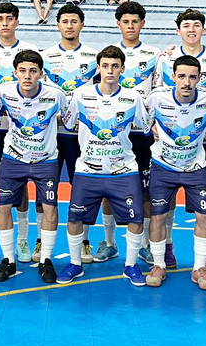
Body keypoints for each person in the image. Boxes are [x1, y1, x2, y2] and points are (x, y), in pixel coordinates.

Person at [56, 45, 151, 287]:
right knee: (74, 218)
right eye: (105, 66)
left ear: (122, 69)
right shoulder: (81, 94)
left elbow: (147, 126)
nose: (110, 71)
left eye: (115, 66)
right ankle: (75, 263)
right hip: (88, 169)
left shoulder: (133, 97)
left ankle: (131, 266)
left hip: (123, 169)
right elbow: (68, 124)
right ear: (98, 68)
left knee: (136, 218)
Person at [154, 8, 206, 266]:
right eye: (186, 25)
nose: (192, 29)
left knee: (205, 204)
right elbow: (157, 95)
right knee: (166, 202)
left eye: (196, 25)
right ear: (178, 31)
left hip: (203, 143)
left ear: (203, 30)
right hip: (170, 140)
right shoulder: (165, 58)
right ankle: (166, 246)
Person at [0, 51, 68, 284]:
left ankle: (45, 259)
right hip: (13, 158)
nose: (27, 76)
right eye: (22, 71)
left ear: (41, 74)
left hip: (45, 160)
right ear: (15, 73)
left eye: (33, 71)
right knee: (3, 206)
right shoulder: (3, 92)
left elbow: (69, 119)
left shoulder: (55, 95)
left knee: (50, 208)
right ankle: (8, 260)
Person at [144, 56, 206, 287]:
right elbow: (142, 118)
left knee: (203, 217)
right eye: (181, 76)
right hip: (163, 166)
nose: (186, 82)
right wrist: (152, 125)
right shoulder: (156, 98)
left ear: (199, 78)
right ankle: (158, 264)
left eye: (192, 77)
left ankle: (199, 268)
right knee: (158, 216)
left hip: (196, 168)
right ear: (172, 77)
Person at [99, 1, 160, 264]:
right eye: (126, 21)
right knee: (107, 187)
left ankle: (145, 244)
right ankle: (109, 243)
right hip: (114, 131)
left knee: (145, 190)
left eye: (135, 21)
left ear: (142, 24)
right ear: (118, 24)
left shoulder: (156, 54)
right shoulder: (107, 55)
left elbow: (159, 89)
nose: (131, 26)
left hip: (142, 132)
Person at [0, 2, 37, 259]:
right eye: (0, 18)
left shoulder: (29, 49)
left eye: (10, 18)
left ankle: (22, 240)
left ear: (17, 22)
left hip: (19, 126)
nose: (5, 23)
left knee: (19, 184)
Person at [40, 2, 99, 261]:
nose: (69, 26)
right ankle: (41, 241)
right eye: (65, 21)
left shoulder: (94, 57)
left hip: (81, 136)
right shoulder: (45, 56)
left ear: (81, 25)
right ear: (58, 25)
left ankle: (84, 241)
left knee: (82, 190)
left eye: (74, 21)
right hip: (51, 135)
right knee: (45, 190)